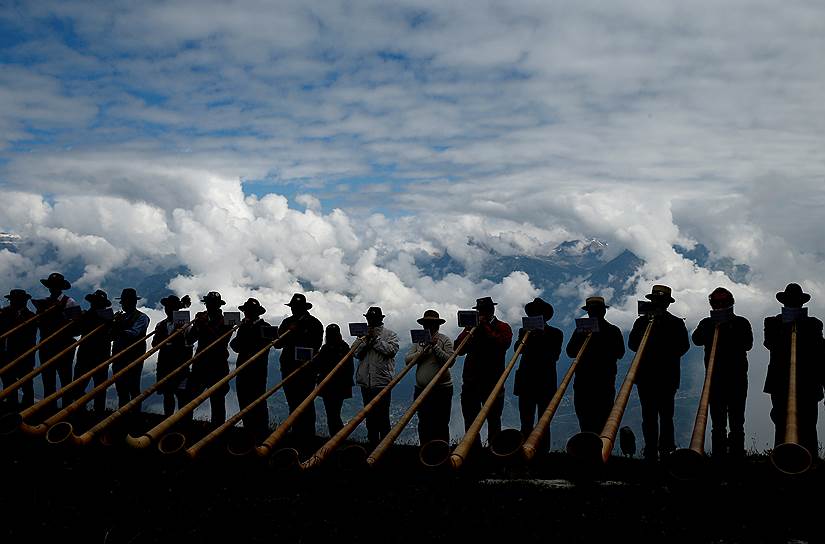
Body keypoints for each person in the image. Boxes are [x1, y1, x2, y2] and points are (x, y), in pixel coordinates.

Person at [628, 285, 689, 461]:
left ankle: (666, 449)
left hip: (666, 376)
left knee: (665, 415)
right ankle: (650, 450)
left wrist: (658, 347)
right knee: (649, 415)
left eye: (660, 301)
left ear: (666, 304)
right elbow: (632, 344)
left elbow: (683, 347)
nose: (657, 304)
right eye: (655, 301)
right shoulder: (641, 322)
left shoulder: (676, 323)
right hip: (648, 376)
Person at [763, 283, 824, 457]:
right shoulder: (773, 322)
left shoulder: (813, 324)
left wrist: (801, 327)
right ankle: (782, 459)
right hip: (780, 381)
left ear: (801, 304)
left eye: (796, 302)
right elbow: (770, 344)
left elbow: (819, 350)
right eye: (790, 301)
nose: (793, 304)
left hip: (809, 382)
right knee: (781, 421)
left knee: (808, 422)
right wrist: (787, 326)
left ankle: (809, 460)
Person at [691, 287, 753, 458]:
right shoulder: (706, 323)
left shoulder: (741, 322)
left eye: (723, 302)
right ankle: (718, 458)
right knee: (717, 423)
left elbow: (748, 343)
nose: (719, 305)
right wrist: (710, 327)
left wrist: (728, 327)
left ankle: (736, 457)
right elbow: (696, 340)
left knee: (737, 422)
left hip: (737, 379)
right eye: (716, 302)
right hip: (714, 380)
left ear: (730, 303)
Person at [455, 296, 513, 449]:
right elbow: (458, 349)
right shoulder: (472, 328)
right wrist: (467, 330)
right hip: (471, 381)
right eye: (479, 311)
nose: (481, 313)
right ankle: (472, 450)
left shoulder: (503, 327)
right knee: (470, 419)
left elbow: (501, 344)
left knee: (494, 419)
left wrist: (485, 327)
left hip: (493, 381)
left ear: (491, 311)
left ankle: (495, 450)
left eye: (483, 311)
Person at [567, 296, 625, 435]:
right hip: (601, 380)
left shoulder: (608, 330)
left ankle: (591, 446)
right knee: (600, 416)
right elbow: (621, 353)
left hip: (588, 380)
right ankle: (598, 446)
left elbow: (570, 352)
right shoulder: (613, 330)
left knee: (586, 416)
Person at [513, 298, 562, 452]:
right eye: (533, 314)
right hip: (526, 381)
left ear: (544, 317)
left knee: (544, 421)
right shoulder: (523, 331)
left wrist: (540, 336)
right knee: (525, 420)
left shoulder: (555, 333)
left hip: (545, 382)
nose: (535, 316)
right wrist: (526, 337)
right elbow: (517, 350)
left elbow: (554, 355)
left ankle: (543, 452)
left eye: (538, 314)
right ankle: (524, 450)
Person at [276, 293, 324, 440]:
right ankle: (295, 432)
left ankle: (308, 434)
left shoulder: (314, 323)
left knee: (306, 403)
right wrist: (288, 332)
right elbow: (278, 343)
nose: (293, 310)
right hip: (288, 366)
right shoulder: (287, 322)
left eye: (296, 308)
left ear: (303, 308)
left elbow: (316, 345)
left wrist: (298, 333)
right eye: (293, 307)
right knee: (292, 400)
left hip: (307, 369)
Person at [405, 310, 455, 445]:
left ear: (437, 325)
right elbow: (407, 360)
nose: (428, 327)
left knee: (441, 423)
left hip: (441, 390)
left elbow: (450, 361)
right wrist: (422, 352)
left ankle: (441, 452)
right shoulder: (419, 341)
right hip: (421, 389)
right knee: (423, 422)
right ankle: (425, 450)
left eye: (431, 324)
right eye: (426, 324)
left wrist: (435, 346)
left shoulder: (445, 340)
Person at [33, 272, 79, 410]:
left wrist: (62, 320)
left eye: (55, 286)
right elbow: (38, 324)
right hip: (46, 345)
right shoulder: (44, 303)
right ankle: (48, 409)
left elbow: (77, 328)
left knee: (65, 379)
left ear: (60, 287)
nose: (52, 288)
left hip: (63, 346)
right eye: (51, 286)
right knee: (48, 379)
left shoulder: (70, 302)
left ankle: (67, 410)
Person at [355, 306, 400, 447]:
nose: (370, 321)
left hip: (382, 381)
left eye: (373, 319)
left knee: (383, 416)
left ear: (380, 320)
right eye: (369, 319)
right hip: (366, 382)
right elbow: (356, 353)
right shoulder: (363, 335)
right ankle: (372, 443)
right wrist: (365, 340)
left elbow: (391, 351)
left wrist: (374, 339)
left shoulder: (390, 335)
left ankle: (385, 445)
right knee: (369, 415)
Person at [186, 291, 233, 424]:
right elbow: (190, 340)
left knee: (217, 400)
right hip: (200, 363)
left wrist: (204, 325)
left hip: (218, 365)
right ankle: (185, 426)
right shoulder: (201, 319)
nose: (209, 306)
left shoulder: (226, 321)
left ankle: (217, 432)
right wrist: (195, 326)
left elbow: (221, 341)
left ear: (218, 305)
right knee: (189, 397)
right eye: (208, 303)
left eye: (212, 303)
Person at [229, 298, 273, 439]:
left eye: (249, 312)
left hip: (257, 371)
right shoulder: (243, 327)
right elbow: (235, 346)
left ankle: (262, 432)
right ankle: (248, 430)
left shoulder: (265, 327)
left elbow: (264, 346)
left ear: (256, 313)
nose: (247, 314)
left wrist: (245, 341)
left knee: (258, 400)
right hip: (242, 369)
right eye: (246, 311)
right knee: (243, 399)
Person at [72, 290, 113, 413]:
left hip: (100, 354)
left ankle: (98, 411)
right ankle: (80, 408)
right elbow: (76, 331)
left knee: (99, 385)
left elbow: (111, 334)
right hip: (86, 353)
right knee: (79, 384)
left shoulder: (107, 318)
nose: (94, 305)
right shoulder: (86, 316)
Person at [152, 295, 193, 418]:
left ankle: (184, 421)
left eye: (172, 307)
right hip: (165, 363)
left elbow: (190, 341)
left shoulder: (185, 324)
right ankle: (167, 419)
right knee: (167, 393)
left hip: (180, 364)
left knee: (182, 394)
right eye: (167, 307)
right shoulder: (160, 325)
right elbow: (154, 344)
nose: (168, 310)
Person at [110, 288, 150, 409]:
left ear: (133, 303)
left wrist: (117, 326)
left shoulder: (142, 318)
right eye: (123, 302)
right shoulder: (120, 317)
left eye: (126, 302)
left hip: (133, 356)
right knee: (120, 386)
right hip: (118, 355)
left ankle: (134, 413)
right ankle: (122, 412)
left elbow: (133, 333)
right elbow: (111, 335)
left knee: (133, 386)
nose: (123, 305)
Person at [315, 323, 355, 436]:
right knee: (332, 413)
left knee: (333, 414)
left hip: (337, 386)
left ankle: (337, 436)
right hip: (329, 385)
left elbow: (348, 368)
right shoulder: (328, 348)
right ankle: (336, 436)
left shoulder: (343, 348)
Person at [0, 289, 37, 409]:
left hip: (25, 355)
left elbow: (30, 335)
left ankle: (28, 410)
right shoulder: (3, 313)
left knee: (26, 384)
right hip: (6, 355)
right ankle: (11, 408)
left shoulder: (31, 317)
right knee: (9, 383)